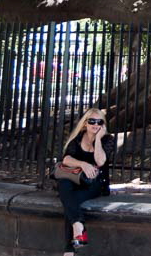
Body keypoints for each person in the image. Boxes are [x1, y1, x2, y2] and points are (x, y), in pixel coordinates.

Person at [57, 108, 114, 255]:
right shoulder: (78, 138)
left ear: (103, 124)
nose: (95, 124)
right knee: (63, 183)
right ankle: (78, 225)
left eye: (99, 121)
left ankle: (69, 250)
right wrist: (83, 164)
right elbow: (66, 159)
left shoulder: (107, 139)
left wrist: (99, 139)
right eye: (92, 121)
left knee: (70, 201)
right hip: (77, 179)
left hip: (95, 184)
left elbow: (100, 161)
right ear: (85, 124)